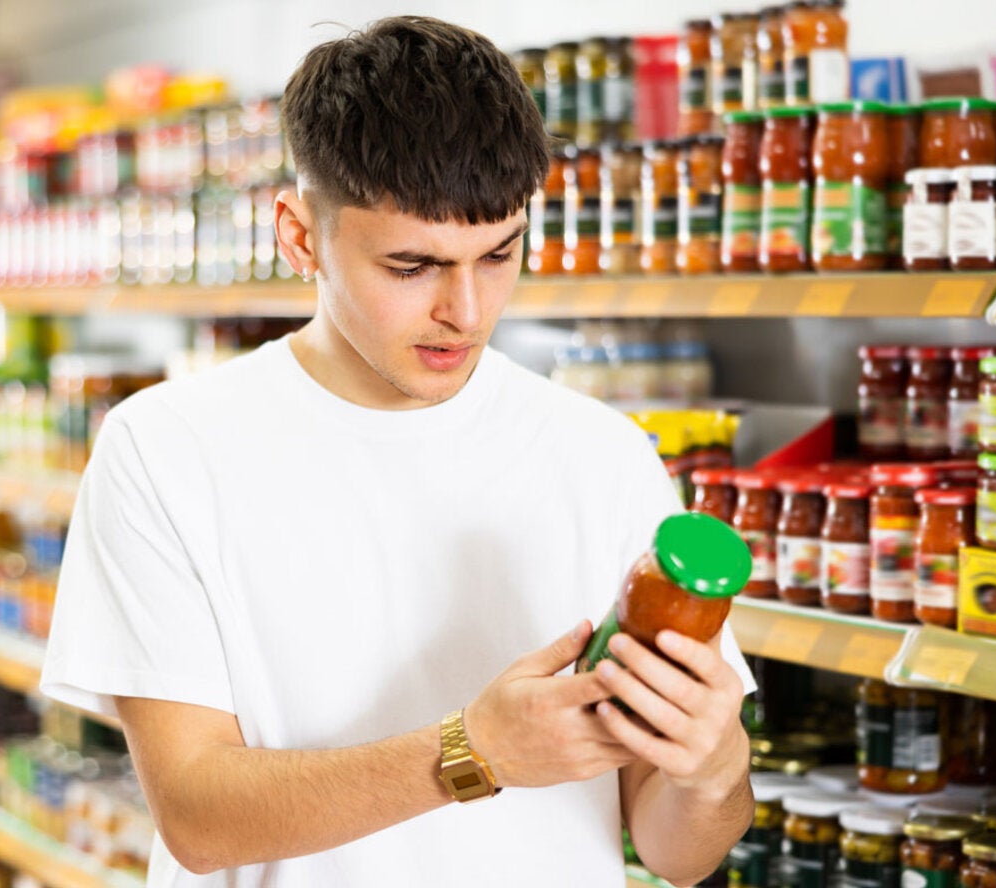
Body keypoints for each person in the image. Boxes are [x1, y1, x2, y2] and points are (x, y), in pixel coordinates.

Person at [42, 16, 755, 887]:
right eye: (413, 266)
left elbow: (679, 855)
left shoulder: (603, 454)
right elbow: (196, 816)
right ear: (301, 236)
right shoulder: (167, 449)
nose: (467, 309)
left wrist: (713, 766)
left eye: (499, 253)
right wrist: (474, 751)